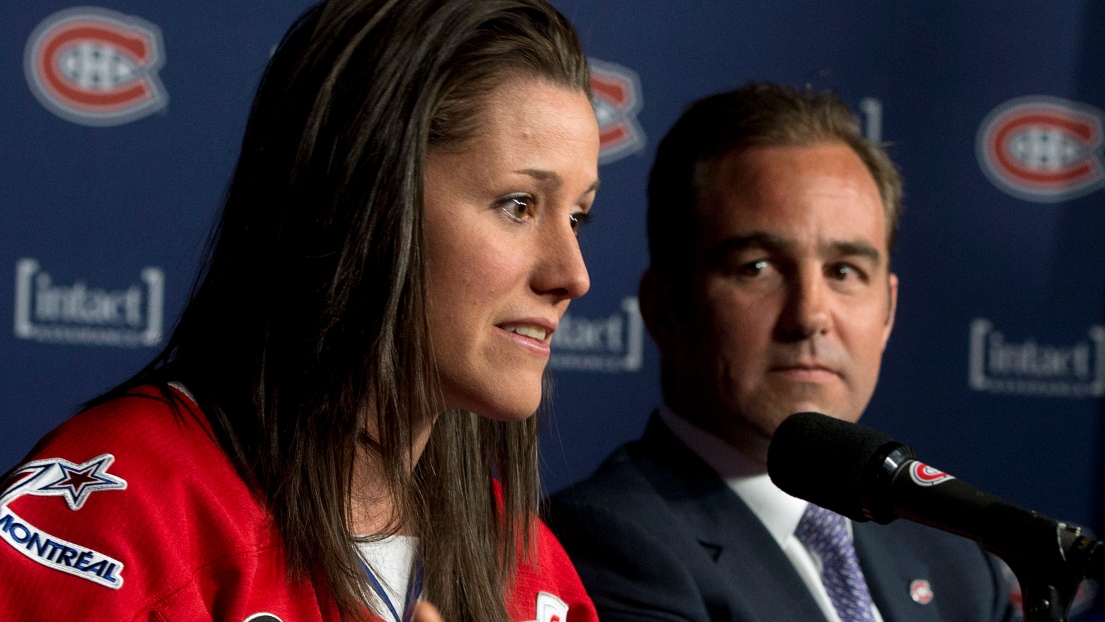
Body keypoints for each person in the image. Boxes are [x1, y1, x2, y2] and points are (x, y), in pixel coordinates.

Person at [0, 1, 602, 621]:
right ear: (361, 199)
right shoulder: (120, 511)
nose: (573, 275)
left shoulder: (533, 569)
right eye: (519, 205)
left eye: (579, 217)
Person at [547, 83, 1014, 622]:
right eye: (758, 268)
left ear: (887, 310)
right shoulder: (603, 545)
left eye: (844, 272)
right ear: (665, 307)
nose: (810, 316)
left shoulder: (955, 562)